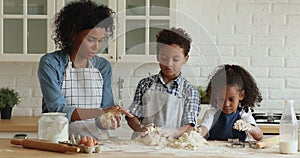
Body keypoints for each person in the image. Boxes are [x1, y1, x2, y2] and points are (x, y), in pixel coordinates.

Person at [37, 0, 132, 140]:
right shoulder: (51, 64)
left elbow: (101, 117)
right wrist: (102, 111)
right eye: (91, 39)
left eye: (101, 40)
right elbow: (58, 110)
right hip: (57, 142)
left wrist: (108, 119)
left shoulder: (103, 67)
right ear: (73, 35)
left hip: (92, 143)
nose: (96, 46)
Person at [125, 27, 201, 138]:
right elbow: (132, 115)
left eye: (175, 59)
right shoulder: (145, 84)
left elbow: (189, 125)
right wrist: (139, 128)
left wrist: (171, 133)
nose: (169, 64)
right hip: (144, 144)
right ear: (157, 56)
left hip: (174, 147)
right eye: (164, 58)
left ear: (185, 59)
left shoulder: (190, 91)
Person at [198, 64, 263, 141]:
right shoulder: (211, 114)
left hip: (237, 151)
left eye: (231, 99)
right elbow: (204, 128)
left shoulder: (244, 117)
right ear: (215, 95)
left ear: (241, 95)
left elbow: (259, 136)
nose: (226, 104)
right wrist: (198, 132)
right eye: (221, 99)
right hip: (214, 151)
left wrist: (249, 127)